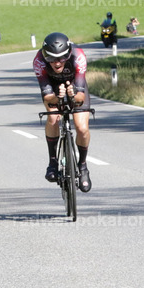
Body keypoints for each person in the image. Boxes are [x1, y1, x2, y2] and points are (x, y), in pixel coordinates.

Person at [32, 32, 92, 192]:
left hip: (75, 86)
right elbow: (48, 98)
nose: (57, 63)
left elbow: (79, 98)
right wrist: (57, 97)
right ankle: (52, 162)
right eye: (51, 59)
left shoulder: (78, 57)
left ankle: (83, 166)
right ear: (45, 56)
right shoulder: (39, 62)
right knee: (53, 119)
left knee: (82, 127)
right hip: (52, 88)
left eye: (62, 58)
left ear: (68, 54)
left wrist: (72, 94)